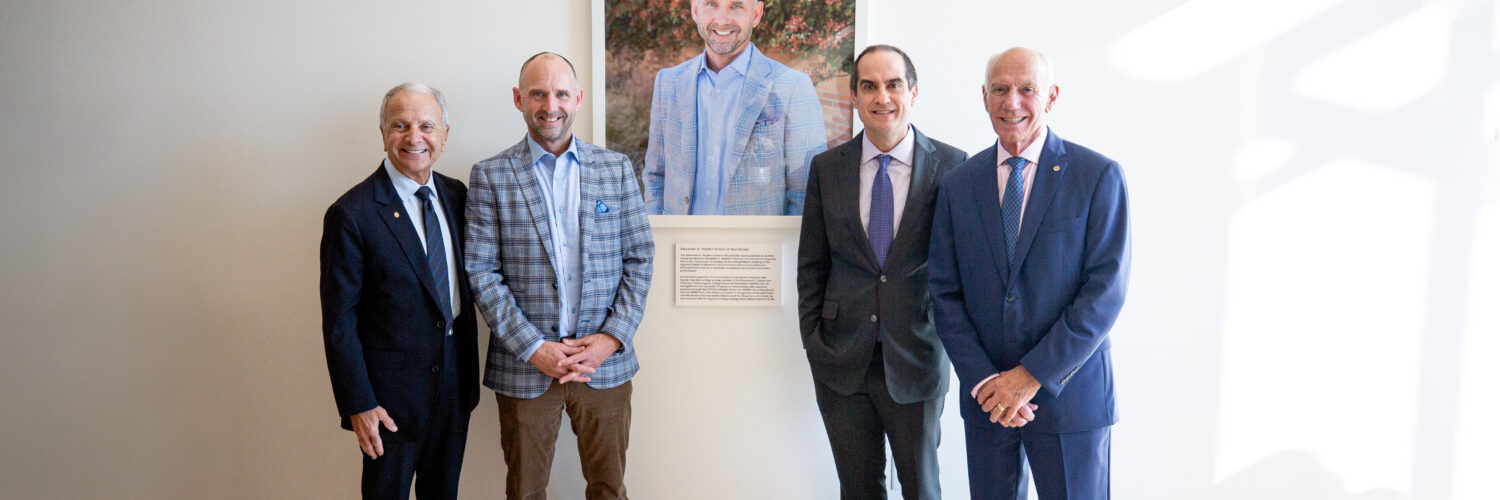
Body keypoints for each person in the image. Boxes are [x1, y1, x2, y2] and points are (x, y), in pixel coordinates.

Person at [928, 47, 1131, 499]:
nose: (1011, 102)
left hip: (1070, 402)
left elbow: (1105, 293)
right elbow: (943, 292)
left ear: (1052, 97)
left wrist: (1030, 376)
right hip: (988, 406)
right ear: (984, 97)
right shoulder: (959, 184)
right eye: (999, 89)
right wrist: (986, 383)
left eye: (1027, 90)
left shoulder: (1097, 176)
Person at [465, 52, 654, 500]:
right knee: (526, 491)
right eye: (538, 93)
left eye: (561, 93)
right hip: (525, 367)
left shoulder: (616, 169)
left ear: (578, 99)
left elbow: (640, 258)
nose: (551, 104)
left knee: (609, 487)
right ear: (518, 99)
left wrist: (611, 338)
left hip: (604, 366)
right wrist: (533, 346)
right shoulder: (490, 176)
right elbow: (481, 271)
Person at [796, 44, 976, 500]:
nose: (882, 97)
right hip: (841, 362)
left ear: (913, 93)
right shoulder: (825, 169)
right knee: (858, 488)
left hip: (916, 357)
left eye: (893, 84)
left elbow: (966, 270)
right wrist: (816, 343)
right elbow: (812, 266)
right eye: (869, 86)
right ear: (854, 97)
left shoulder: (954, 167)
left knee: (923, 487)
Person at [320, 82, 480, 499]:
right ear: (383, 133)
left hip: (453, 390)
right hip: (387, 406)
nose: (414, 137)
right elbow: (340, 321)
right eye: (400, 125)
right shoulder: (352, 214)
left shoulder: (456, 195)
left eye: (427, 125)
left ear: (445, 135)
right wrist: (359, 403)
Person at [642, 0, 827, 215]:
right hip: (680, 246)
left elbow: (806, 192)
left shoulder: (794, 87)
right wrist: (658, 241)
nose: (721, 19)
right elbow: (656, 175)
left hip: (756, 248)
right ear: (695, 10)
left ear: (756, 14)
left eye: (736, 6)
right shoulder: (668, 82)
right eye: (711, 4)